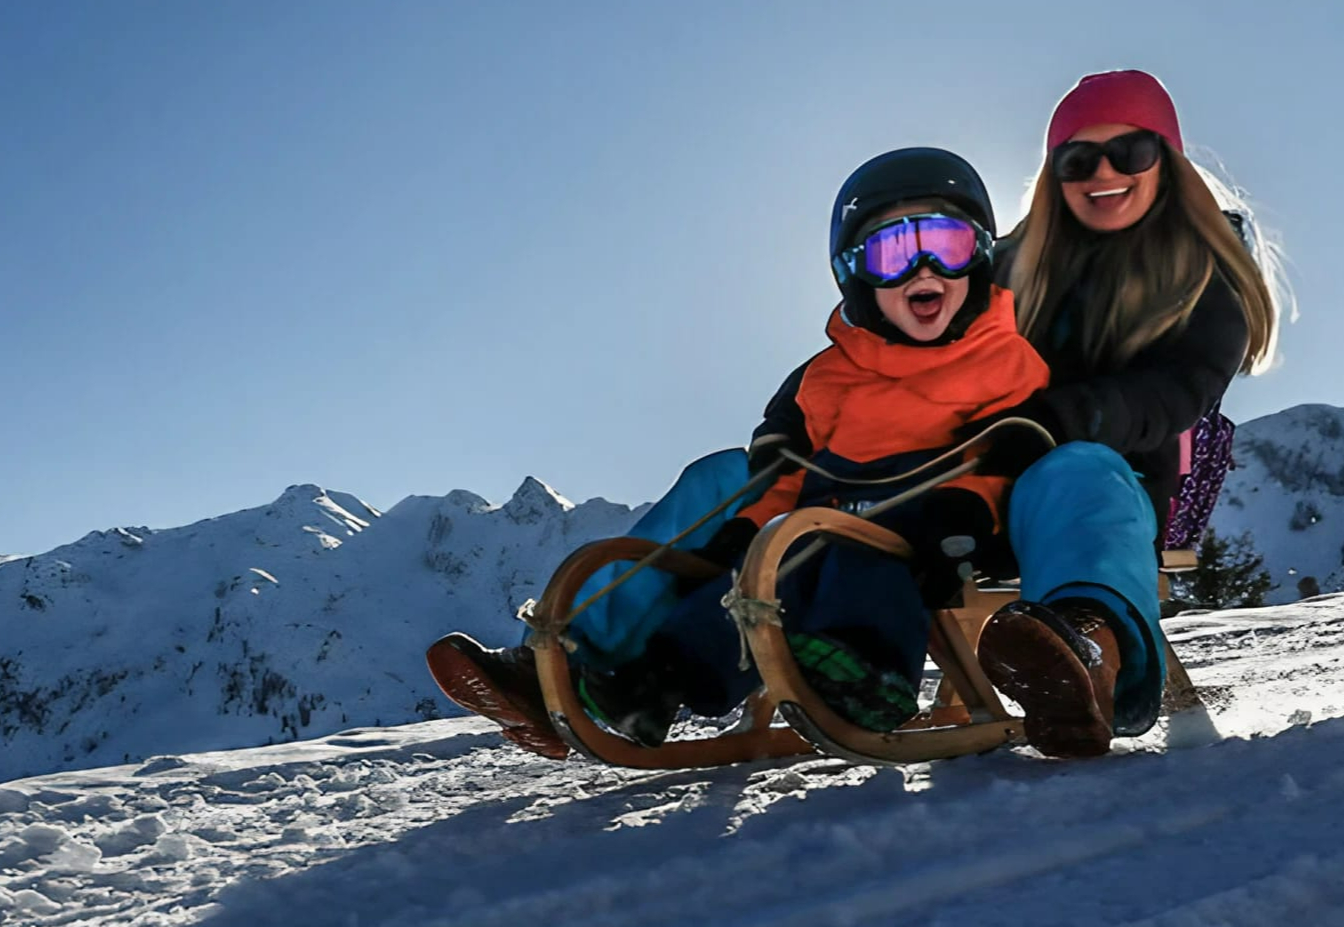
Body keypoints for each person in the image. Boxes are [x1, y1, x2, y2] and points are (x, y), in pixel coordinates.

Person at [426, 147, 1053, 752]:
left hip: (927, 529)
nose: (924, 270)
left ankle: (858, 674)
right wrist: (745, 527)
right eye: (893, 252)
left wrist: (966, 514)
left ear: (981, 255)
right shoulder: (830, 375)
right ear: (855, 272)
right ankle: (605, 677)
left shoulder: (1004, 361)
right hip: (822, 517)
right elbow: (788, 470)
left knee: (814, 547)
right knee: (740, 522)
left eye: (945, 245)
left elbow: (1010, 453)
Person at [967, 68, 1282, 758]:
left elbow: (1178, 390)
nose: (1103, 172)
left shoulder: (1204, 271)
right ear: (1055, 175)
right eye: (1078, 159)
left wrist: (1066, 417)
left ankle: (1087, 656)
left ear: (1165, 160)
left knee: (1077, 472)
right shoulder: (1012, 267)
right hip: (989, 480)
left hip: (1120, 484)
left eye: (1130, 152)